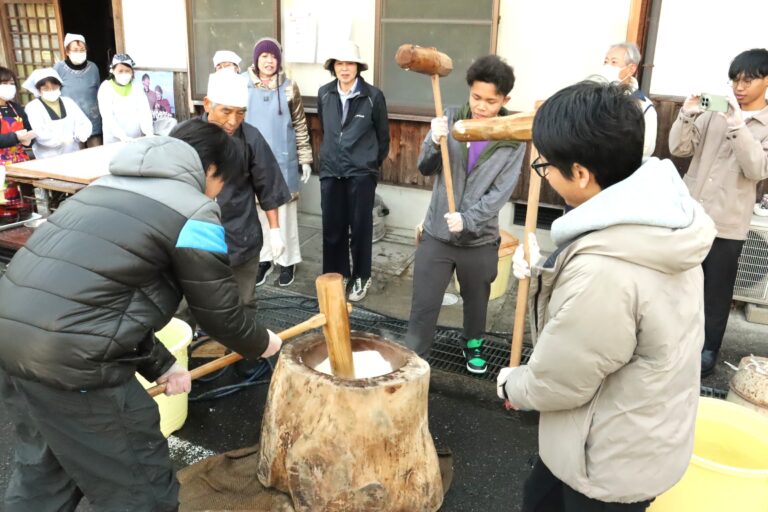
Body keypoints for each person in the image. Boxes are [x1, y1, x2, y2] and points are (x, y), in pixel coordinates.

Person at [0, 119, 284, 511]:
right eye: (225, 182)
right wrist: (265, 343)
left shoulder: (98, 189)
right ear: (213, 170)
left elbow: (105, 303)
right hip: (74, 365)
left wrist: (164, 366)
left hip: (12, 341)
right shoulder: (193, 211)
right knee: (141, 492)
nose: (221, 192)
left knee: (46, 479)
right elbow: (219, 315)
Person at [498, 81, 716, 511]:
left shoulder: (605, 267)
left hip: (609, 455)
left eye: (545, 167)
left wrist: (512, 384)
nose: (545, 174)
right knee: (538, 498)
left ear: (580, 172)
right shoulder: (666, 215)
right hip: (640, 425)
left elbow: (561, 380)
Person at [404, 55, 525, 374]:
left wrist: (469, 219)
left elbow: (500, 193)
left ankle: (473, 344)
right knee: (424, 303)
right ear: (469, 92)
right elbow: (425, 167)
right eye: (476, 97)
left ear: (505, 100)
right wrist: (432, 138)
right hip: (437, 234)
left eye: (491, 101)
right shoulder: (452, 117)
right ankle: (415, 356)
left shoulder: (512, 137)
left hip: (479, 239)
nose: (482, 106)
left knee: (476, 301)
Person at [669, 48, 768, 376]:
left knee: (715, 291)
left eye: (749, 80)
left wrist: (738, 125)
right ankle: (669, 342)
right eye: (735, 80)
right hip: (691, 215)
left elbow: (757, 169)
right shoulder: (714, 113)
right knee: (677, 281)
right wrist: (686, 113)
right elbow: (678, 149)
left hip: (727, 222)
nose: (740, 87)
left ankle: (707, 349)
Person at [201, 70, 290, 307]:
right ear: (207, 104)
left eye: (240, 113)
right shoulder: (187, 135)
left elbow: (268, 185)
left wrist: (275, 230)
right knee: (198, 304)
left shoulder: (251, 138)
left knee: (242, 303)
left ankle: (242, 342)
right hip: (197, 235)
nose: (233, 121)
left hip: (241, 233)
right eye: (226, 111)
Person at [317, 40, 389, 301]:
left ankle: (361, 276)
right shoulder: (325, 93)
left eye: (349, 63)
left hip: (361, 173)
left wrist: (368, 163)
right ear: (333, 67)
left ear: (358, 67)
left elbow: (383, 138)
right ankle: (337, 274)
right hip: (331, 170)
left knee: (360, 227)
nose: (344, 69)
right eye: (339, 63)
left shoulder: (373, 96)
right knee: (332, 227)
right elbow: (327, 130)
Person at [245, 37, 313, 287]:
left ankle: (287, 261)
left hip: (282, 159)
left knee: (284, 214)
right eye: (264, 56)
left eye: (273, 57)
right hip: (252, 161)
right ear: (256, 59)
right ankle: (263, 260)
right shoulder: (243, 84)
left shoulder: (288, 87)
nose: (269, 61)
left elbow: (300, 125)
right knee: (259, 213)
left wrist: (305, 158)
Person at [599, 42, 657, 158]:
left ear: (631, 69)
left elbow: (646, 149)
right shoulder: (593, 96)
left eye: (614, 62)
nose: (608, 66)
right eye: (606, 62)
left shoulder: (642, 105)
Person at [22, 67, 92, 159]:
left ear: (60, 86)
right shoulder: (33, 107)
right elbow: (39, 132)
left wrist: (82, 134)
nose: (51, 90)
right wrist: (60, 140)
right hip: (47, 156)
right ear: (39, 90)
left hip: (73, 152)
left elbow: (83, 122)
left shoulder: (68, 102)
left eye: (54, 87)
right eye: (45, 88)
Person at [53, 33, 103, 147]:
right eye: (75, 50)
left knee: (96, 151)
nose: (79, 53)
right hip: (71, 119)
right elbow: (54, 92)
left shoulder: (93, 67)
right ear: (67, 52)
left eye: (82, 50)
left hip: (92, 117)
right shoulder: (59, 68)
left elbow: (97, 90)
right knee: (76, 152)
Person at [97, 53, 153, 143]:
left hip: (136, 138)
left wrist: (148, 131)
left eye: (127, 71)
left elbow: (144, 111)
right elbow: (107, 116)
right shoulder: (106, 88)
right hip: (114, 140)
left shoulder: (136, 87)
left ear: (132, 72)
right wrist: (121, 136)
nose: (124, 73)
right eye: (120, 71)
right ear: (113, 71)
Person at [0, 66, 35, 165]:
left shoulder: (16, 108)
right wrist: (16, 137)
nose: (9, 86)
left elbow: (27, 128)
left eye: (12, 83)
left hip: (19, 161)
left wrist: (30, 137)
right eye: (4, 83)